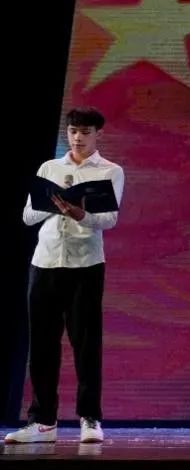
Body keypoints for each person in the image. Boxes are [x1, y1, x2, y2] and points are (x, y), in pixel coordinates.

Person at [5, 107, 125, 445]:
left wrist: (79, 213)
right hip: (44, 263)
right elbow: (28, 216)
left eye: (85, 132)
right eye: (73, 131)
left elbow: (109, 219)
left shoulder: (110, 170)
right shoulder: (50, 168)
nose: (78, 138)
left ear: (98, 134)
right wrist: (52, 204)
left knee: (86, 344)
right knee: (42, 344)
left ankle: (90, 417)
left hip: (85, 265)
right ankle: (43, 421)